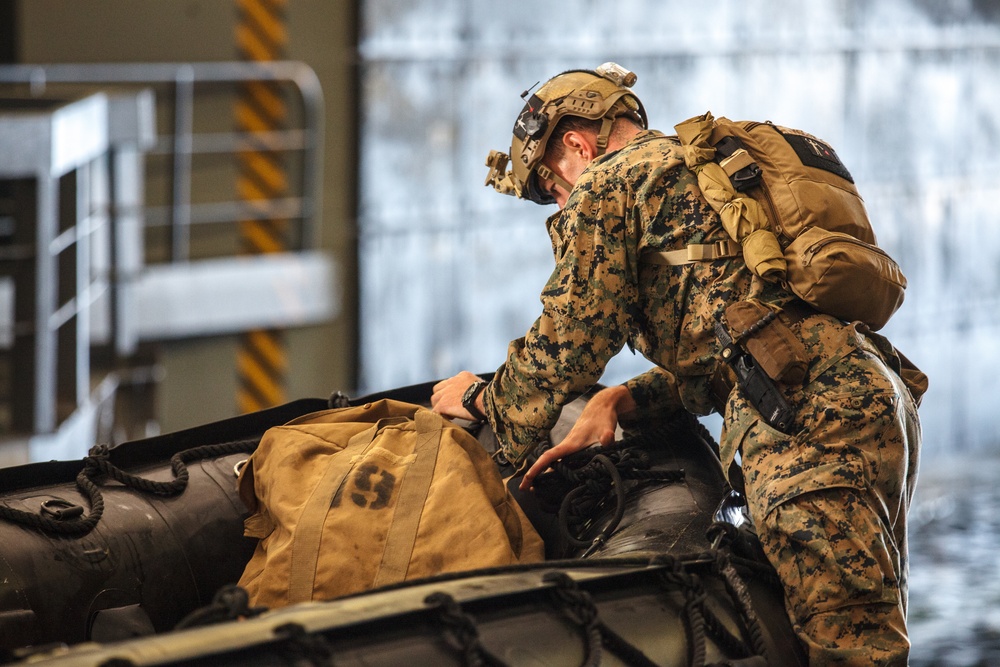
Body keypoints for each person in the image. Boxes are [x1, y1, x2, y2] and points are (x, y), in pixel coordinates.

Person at [430, 63, 924, 666]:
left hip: (806, 425)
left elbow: (571, 338)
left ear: (576, 144)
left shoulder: (608, 182)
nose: (560, 200)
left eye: (552, 187)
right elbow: (738, 344)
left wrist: (483, 401)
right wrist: (620, 399)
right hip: (859, 395)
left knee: (850, 652)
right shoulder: (695, 172)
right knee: (852, 626)